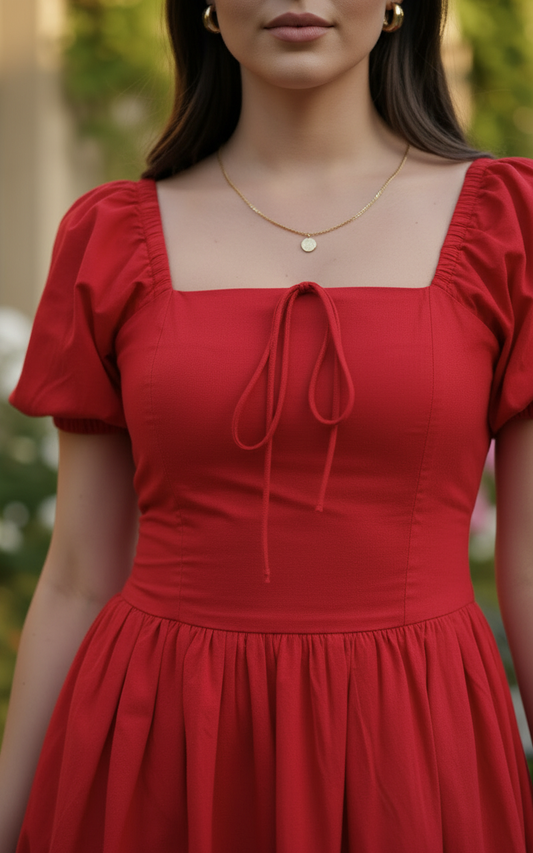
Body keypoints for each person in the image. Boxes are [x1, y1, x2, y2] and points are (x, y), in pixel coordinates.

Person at [1, 0, 533, 849]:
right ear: (205, 9)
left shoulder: (511, 226)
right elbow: (77, 576)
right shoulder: (108, 238)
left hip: (413, 739)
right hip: (162, 737)